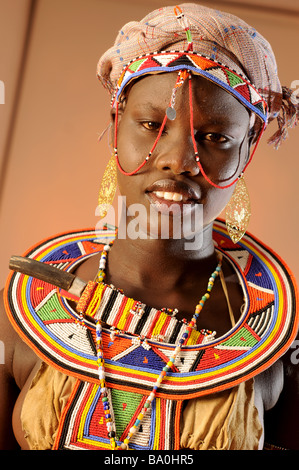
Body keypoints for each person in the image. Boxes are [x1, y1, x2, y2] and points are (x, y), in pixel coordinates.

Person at [0, 3, 298, 451]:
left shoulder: (282, 337)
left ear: (250, 146)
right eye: (151, 124)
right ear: (116, 124)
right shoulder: (17, 312)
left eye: (216, 137)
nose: (178, 161)